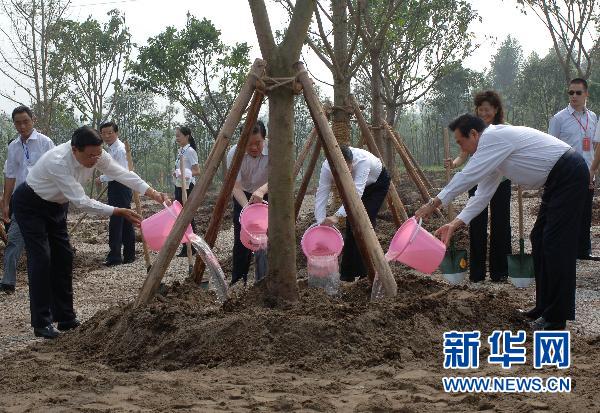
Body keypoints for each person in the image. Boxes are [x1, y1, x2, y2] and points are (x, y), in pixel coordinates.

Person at [416, 114, 588, 331]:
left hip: (569, 173)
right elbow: (481, 196)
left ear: (474, 134)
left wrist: (433, 203)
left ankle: (556, 318)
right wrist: (454, 224)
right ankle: (544, 308)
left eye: (461, 142)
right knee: (539, 238)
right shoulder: (493, 153)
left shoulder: (492, 138)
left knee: (555, 243)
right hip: (558, 179)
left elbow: (466, 177)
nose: (462, 148)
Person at [12, 126, 169, 339]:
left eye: (98, 154)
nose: (95, 160)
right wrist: (117, 211)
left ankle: (65, 317)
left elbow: (121, 173)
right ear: (74, 149)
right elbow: (82, 201)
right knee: (41, 258)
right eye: (90, 156)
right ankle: (42, 322)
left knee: (64, 256)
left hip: (57, 205)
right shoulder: (58, 161)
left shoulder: (96, 154)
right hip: (30, 205)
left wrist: (152, 192)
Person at [445, 90, 512, 282]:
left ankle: (500, 272)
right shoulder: (472, 129)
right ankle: (477, 273)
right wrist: (454, 164)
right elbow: (463, 155)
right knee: (476, 222)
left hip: (501, 181)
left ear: (496, 109)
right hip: (477, 181)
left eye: (487, 109)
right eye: (480, 109)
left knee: (501, 223)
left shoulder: (504, 129)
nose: (483, 113)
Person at [315, 145, 391, 282]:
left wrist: (337, 216)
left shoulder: (362, 161)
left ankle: (365, 273)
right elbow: (322, 192)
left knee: (364, 222)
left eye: (348, 168)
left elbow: (356, 194)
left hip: (376, 184)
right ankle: (347, 274)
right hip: (355, 187)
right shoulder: (327, 166)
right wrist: (320, 222)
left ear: (352, 162)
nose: (346, 172)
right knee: (351, 225)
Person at [0, 106, 54, 294]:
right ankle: (8, 281)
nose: (22, 126)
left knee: (43, 242)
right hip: (21, 201)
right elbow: (10, 176)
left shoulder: (45, 142)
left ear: (33, 120)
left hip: (43, 198)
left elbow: (55, 170)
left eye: (26, 121)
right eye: (18, 123)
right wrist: (5, 203)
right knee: (14, 240)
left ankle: (46, 281)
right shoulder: (13, 146)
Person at [548, 78, 599, 261]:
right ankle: (565, 250)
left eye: (578, 92)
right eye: (571, 92)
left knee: (585, 212)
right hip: (567, 173)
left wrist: (593, 171)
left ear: (586, 94)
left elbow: (594, 146)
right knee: (567, 212)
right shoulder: (559, 119)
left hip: (588, 171)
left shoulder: (592, 117)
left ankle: (583, 250)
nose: (574, 96)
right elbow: (550, 147)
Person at [226, 121, 269, 286]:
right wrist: (247, 210)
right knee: (241, 237)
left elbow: (277, 177)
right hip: (242, 195)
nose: (253, 148)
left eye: (258, 143)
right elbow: (235, 186)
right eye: (248, 144)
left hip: (267, 192)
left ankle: (264, 279)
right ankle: (238, 280)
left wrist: (262, 191)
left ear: (264, 139)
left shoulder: (273, 150)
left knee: (266, 236)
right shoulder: (234, 153)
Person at [96, 121, 135, 266]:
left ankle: (115, 257)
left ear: (116, 133)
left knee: (116, 221)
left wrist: (102, 178)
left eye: (110, 133)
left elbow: (120, 172)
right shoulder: (111, 149)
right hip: (117, 186)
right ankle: (129, 255)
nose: (106, 136)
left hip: (121, 186)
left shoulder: (120, 149)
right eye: (103, 133)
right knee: (124, 220)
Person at [173, 126, 201, 257]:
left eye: (179, 135)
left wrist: (183, 173)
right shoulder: (181, 151)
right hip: (179, 185)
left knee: (187, 217)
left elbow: (197, 171)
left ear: (187, 136)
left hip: (188, 187)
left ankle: (191, 246)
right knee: (180, 216)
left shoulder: (190, 151)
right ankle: (186, 245)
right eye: (176, 136)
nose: (177, 138)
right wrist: (177, 173)